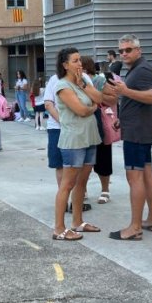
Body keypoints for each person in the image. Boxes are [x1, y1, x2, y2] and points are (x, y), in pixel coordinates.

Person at [109, 34, 152, 240]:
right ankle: (151, 219)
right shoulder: (137, 70)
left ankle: (135, 227)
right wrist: (123, 118)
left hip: (137, 133)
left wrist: (125, 91)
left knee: (135, 177)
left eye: (128, 50)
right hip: (138, 128)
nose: (124, 54)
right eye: (121, 51)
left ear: (138, 50)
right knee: (147, 172)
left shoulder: (143, 70)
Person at [51, 48, 103, 241]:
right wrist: (92, 108)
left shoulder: (83, 82)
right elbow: (81, 110)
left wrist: (83, 85)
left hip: (89, 138)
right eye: (75, 61)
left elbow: (99, 99)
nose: (80, 64)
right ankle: (58, 228)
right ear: (65, 65)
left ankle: (77, 221)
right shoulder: (62, 86)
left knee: (82, 182)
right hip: (73, 140)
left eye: (80, 60)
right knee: (68, 184)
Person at [86, 56, 118, 204]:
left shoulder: (99, 81)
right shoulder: (71, 82)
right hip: (81, 126)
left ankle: (105, 190)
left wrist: (96, 96)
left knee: (103, 157)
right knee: (82, 160)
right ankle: (83, 189)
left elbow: (113, 98)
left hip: (98, 123)